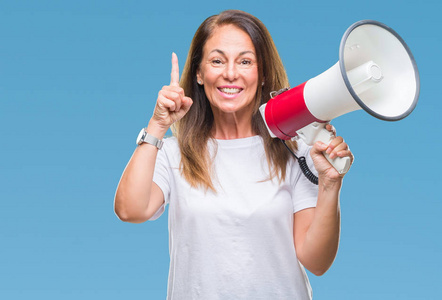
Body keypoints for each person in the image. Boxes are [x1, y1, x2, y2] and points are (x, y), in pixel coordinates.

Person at [114, 9, 354, 300]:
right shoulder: (173, 155)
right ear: (199, 73)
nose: (230, 73)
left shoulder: (294, 152)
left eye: (245, 61)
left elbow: (317, 262)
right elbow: (130, 210)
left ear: (262, 74)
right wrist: (157, 124)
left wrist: (329, 185)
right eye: (217, 61)